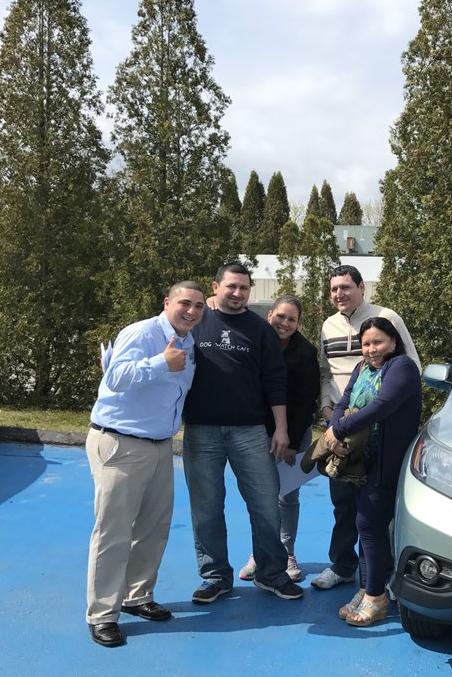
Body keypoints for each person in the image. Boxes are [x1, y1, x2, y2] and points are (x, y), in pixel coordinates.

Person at [85, 281, 206, 648]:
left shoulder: (188, 342)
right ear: (167, 302)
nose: (191, 311)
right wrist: (160, 363)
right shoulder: (141, 333)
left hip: (159, 445)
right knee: (114, 531)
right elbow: (115, 377)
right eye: (185, 303)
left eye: (199, 306)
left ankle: (136, 596)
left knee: (153, 526)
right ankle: (102, 614)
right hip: (121, 442)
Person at [181, 262, 303, 603]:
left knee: (265, 505)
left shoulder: (261, 330)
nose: (237, 293)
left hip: (250, 431)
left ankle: (271, 574)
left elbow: (275, 381)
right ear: (215, 287)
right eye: (231, 286)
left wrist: (281, 429)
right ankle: (215, 577)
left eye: (244, 288)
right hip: (201, 431)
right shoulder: (195, 322)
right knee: (206, 508)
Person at [311, 264, 420, 591]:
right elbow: (326, 371)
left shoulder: (386, 317)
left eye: (346, 287)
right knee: (344, 503)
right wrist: (328, 410)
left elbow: (411, 364)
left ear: (361, 288)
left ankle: (384, 575)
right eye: (334, 289)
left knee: (378, 509)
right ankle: (343, 565)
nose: (339, 294)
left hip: (379, 427)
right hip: (341, 422)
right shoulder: (328, 325)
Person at [324, 316, 422, 626]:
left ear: (393, 342)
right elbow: (344, 402)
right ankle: (367, 590)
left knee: (369, 525)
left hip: (386, 461)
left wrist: (339, 430)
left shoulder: (402, 367)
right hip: (361, 461)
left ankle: (377, 597)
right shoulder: (362, 368)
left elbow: (381, 406)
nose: (371, 349)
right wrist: (334, 428)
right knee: (366, 525)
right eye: (366, 343)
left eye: (378, 342)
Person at [238, 294, 320, 583]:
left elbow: (307, 400)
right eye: (281, 316)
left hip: (294, 431)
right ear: (270, 315)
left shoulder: (306, 353)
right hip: (257, 432)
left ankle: (286, 552)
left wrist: (292, 442)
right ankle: (260, 552)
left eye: (292, 319)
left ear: (298, 324)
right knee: (261, 497)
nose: (285, 323)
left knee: (287, 496)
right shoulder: (254, 342)